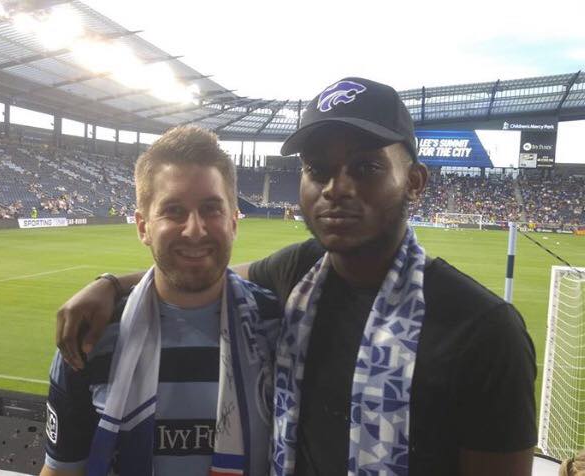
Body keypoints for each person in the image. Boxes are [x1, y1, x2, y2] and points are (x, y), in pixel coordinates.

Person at [56, 78, 537, 476]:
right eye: (318, 169)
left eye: (366, 167)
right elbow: (201, 272)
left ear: (414, 181)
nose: (336, 187)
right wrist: (111, 286)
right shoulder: (299, 272)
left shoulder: (484, 332)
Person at [41, 126, 280, 476]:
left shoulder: (280, 329)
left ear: (233, 222)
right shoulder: (90, 340)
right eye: (174, 211)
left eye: (211, 209)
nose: (195, 229)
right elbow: (62, 471)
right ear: (143, 227)